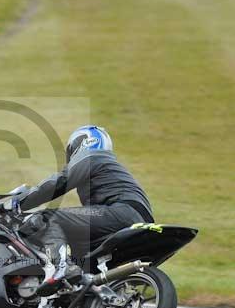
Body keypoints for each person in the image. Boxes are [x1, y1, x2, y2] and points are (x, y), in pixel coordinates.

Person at [16, 125, 154, 296]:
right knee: (81, 253)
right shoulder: (109, 165)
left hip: (120, 212)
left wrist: (19, 202)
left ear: (80, 144)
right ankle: (89, 293)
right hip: (135, 218)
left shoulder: (92, 157)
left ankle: (60, 269)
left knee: (48, 217)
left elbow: (58, 183)